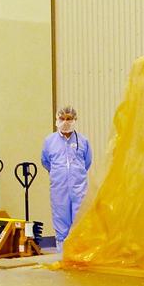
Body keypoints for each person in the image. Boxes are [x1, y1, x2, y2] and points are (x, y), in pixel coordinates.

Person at [41, 105, 93, 249]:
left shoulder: (83, 141)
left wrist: (76, 175)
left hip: (79, 188)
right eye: (62, 118)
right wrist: (59, 173)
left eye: (69, 119)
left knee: (80, 219)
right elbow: (45, 161)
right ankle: (62, 252)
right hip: (59, 187)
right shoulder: (49, 141)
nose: (65, 122)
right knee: (60, 218)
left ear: (75, 119)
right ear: (57, 120)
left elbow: (87, 162)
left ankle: (79, 252)